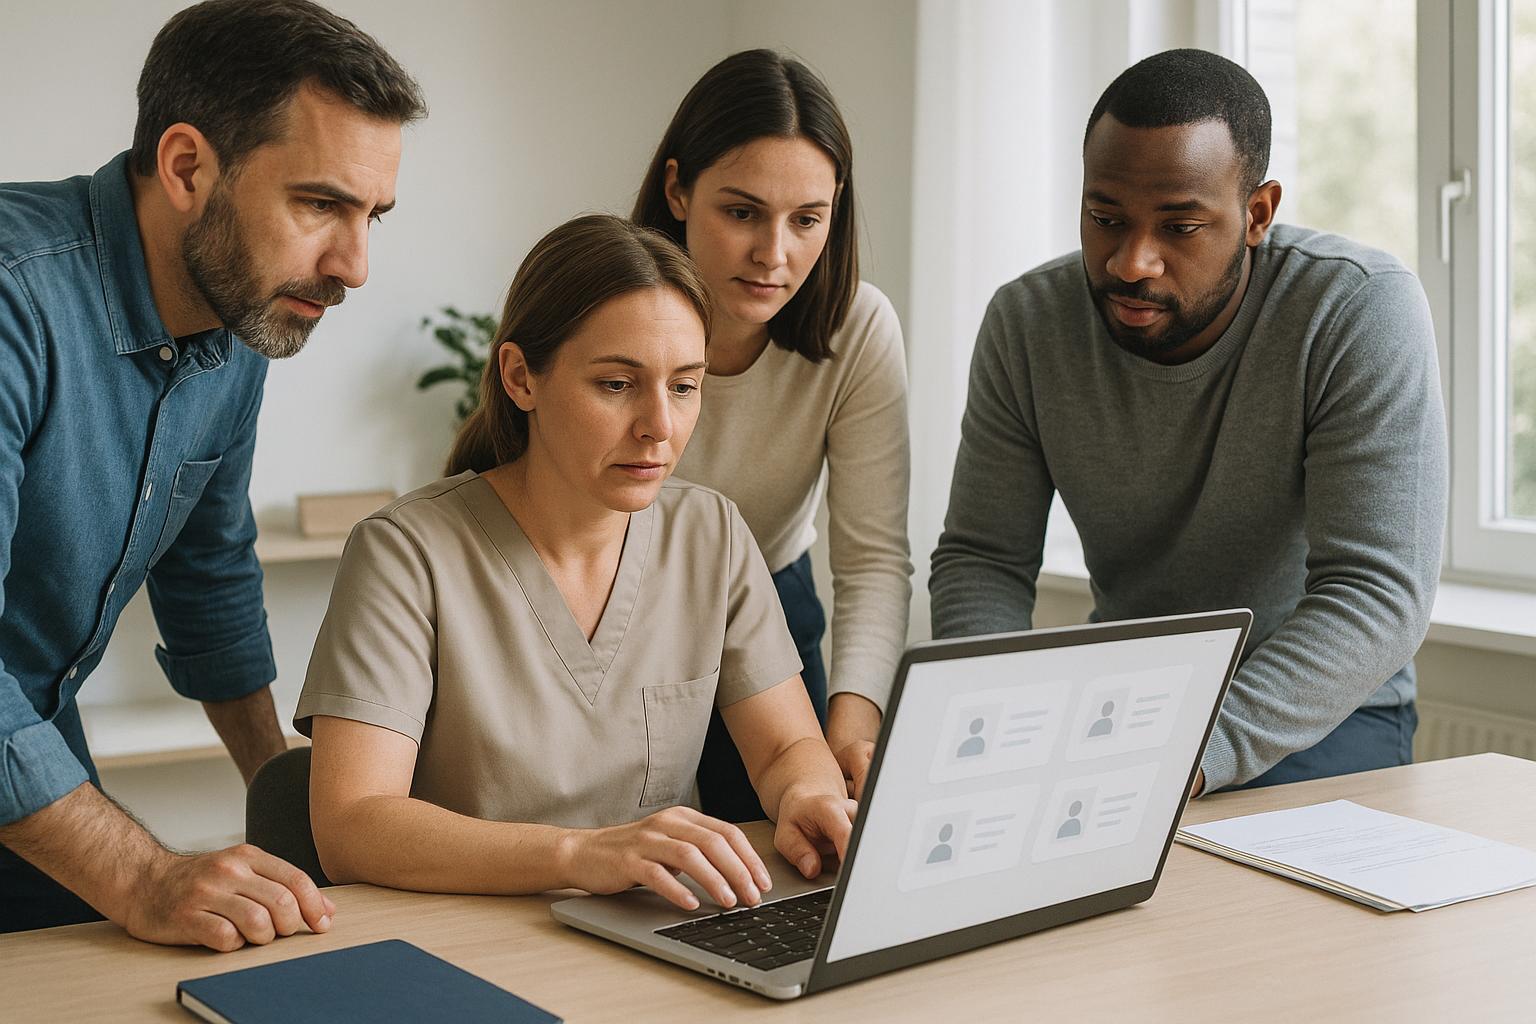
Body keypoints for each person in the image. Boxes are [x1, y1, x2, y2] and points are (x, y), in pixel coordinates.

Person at [0, 0, 424, 945]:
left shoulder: (234, 315)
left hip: (24, 728)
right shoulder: (13, 300)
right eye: (319, 204)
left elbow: (209, 574)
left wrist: (287, 799)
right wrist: (148, 875)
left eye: (372, 216)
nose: (353, 266)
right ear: (187, 166)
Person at [297, 215, 855, 910]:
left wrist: (807, 792)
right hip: (468, 942)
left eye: (684, 386)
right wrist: (578, 854)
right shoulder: (405, 555)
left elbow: (783, 750)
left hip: (659, 930)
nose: (659, 425)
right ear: (521, 377)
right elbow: (352, 825)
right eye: (618, 385)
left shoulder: (711, 534)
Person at [929, 49, 1447, 795]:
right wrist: (994, 730)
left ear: (1256, 215)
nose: (1133, 262)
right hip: (1112, 711)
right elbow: (984, 560)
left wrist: (1185, 757)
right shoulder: (1027, 322)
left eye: (1180, 227)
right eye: (1105, 218)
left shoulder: (1357, 310)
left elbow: (1377, 592)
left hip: (1316, 717)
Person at [631, 50, 912, 819]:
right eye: (743, 211)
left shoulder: (858, 328)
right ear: (678, 189)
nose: (773, 254)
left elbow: (874, 560)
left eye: (807, 220)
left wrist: (849, 732)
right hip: (616, 612)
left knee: (791, 861)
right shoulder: (614, 306)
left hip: (775, 609)